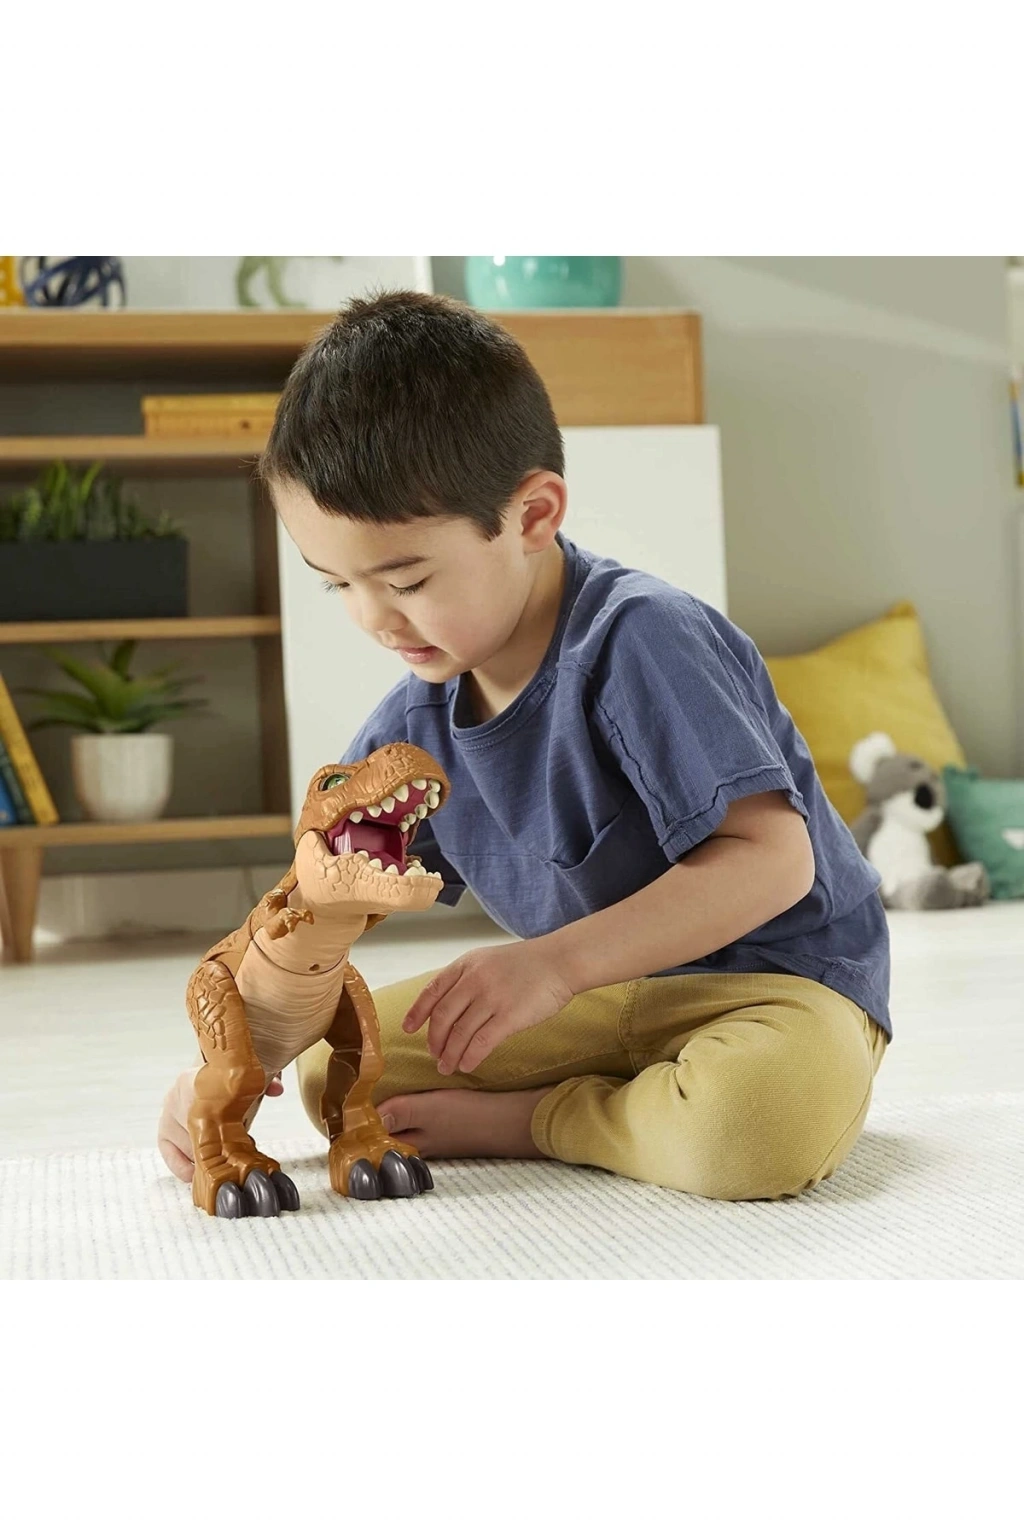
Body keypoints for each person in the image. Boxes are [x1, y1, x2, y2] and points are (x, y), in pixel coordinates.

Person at [158, 290, 890, 1202]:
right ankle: (633, 1103)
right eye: (336, 585)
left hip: (771, 987)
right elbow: (310, 915)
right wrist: (225, 1070)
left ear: (534, 516)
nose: (374, 618)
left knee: (753, 1127)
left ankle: (547, 1120)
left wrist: (550, 966)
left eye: (406, 580)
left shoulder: (643, 639)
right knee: (335, 1077)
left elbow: (775, 862)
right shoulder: (410, 729)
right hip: (588, 1002)